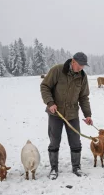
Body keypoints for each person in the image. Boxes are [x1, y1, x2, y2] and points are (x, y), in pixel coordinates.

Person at [40, 52, 93, 180]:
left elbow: (84, 97)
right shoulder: (58, 70)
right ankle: (54, 168)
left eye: (83, 66)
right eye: (80, 65)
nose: (81, 68)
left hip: (72, 114)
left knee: (75, 142)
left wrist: (88, 115)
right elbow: (45, 86)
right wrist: (50, 103)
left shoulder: (82, 77)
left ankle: (76, 167)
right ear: (73, 61)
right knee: (54, 141)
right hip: (55, 113)